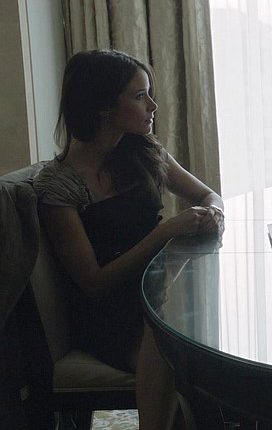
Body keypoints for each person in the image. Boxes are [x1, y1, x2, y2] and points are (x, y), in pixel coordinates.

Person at [34, 49, 224, 429]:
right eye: (140, 96)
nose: (153, 105)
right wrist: (166, 231)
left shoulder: (145, 152)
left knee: (202, 327)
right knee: (170, 335)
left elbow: (209, 195)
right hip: (111, 315)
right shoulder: (59, 185)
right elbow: (94, 282)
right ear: (104, 108)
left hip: (160, 288)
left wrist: (213, 214)